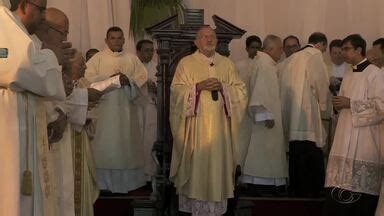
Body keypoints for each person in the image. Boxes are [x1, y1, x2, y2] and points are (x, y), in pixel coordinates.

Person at [0, 0, 74, 215]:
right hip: (7, 124)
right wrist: (52, 56)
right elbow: (21, 67)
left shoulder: (14, 28)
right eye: (41, 9)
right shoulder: (3, 20)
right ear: (24, 4)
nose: (43, 16)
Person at [170, 26, 247, 215]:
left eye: (212, 36)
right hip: (196, 128)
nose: (209, 40)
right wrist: (196, 88)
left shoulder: (227, 64)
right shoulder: (186, 63)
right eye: (204, 37)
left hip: (220, 128)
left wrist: (224, 88)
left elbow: (241, 91)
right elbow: (176, 92)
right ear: (196, 42)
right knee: (197, 165)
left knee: (218, 165)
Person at [323, 34, 384, 216]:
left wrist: (351, 104)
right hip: (344, 137)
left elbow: (381, 106)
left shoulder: (375, 73)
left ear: (359, 50)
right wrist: (338, 107)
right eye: (342, 49)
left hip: (365, 140)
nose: (343, 53)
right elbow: (344, 104)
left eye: (347, 49)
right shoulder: (349, 73)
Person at [85, 26, 148, 193]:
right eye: (113, 38)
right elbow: (88, 78)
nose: (117, 41)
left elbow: (142, 76)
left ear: (123, 40)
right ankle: (103, 184)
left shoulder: (132, 59)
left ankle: (127, 184)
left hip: (126, 111)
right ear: (106, 40)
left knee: (126, 145)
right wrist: (111, 79)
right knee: (105, 146)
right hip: (106, 110)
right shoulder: (97, 58)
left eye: (120, 38)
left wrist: (129, 81)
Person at [279, 32, 330, 198]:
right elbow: (321, 82)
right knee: (312, 153)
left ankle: (296, 190)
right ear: (321, 45)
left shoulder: (289, 60)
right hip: (307, 115)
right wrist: (323, 104)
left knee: (296, 154)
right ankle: (314, 191)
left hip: (292, 115)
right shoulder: (314, 54)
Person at [239, 35, 288, 196]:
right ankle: (262, 186)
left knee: (264, 152)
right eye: (280, 48)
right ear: (270, 48)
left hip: (265, 117)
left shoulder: (264, 63)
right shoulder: (265, 64)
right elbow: (260, 90)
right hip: (265, 120)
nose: (282, 52)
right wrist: (265, 114)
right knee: (263, 152)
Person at [136, 39, 157, 180]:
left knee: (149, 139)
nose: (149, 53)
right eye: (146, 50)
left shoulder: (158, 67)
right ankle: (136, 174)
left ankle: (149, 174)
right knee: (136, 139)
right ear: (138, 52)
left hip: (151, 107)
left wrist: (156, 89)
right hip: (136, 107)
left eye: (151, 50)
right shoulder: (133, 65)